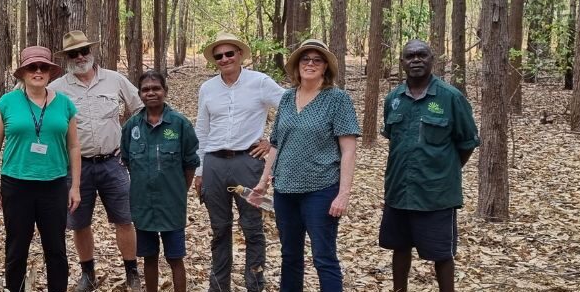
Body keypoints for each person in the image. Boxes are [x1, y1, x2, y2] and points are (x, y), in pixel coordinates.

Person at [253, 39, 360, 292]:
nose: (310, 64)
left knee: (324, 256)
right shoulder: (288, 98)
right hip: (285, 191)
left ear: (325, 67)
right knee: (290, 256)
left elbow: (349, 150)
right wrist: (263, 181)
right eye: (305, 59)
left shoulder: (337, 99)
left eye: (317, 60)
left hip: (321, 189)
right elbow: (277, 144)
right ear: (297, 65)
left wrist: (343, 194)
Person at [379, 40, 480, 292]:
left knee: (441, 253)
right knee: (400, 247)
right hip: (399, 190)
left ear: (432, 59)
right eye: (409, 56)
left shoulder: (451, 98)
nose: (416, 60)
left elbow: (467, 142)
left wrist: (445, 170)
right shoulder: (393, 99)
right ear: (401, 62)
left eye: (421, 55)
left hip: (436, 194)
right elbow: (394, 136)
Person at [49, 30, 144, 291]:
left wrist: (130, 141)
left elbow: (139, 108)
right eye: (73, 53)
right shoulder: (56, 88)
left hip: (113, 163)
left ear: (92, 51)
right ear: (66, 58)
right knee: (80, 222)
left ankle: (132, 272)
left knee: (124, 219)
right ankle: (87, 274)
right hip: (76, 168)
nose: (80, 57)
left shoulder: (115, 79)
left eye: (84, 51)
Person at [0, 45, 82, 292]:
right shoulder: (7, 103)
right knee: (16, 249)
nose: (37, 71)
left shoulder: (65, 105)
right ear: (23, 72)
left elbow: (73, 147)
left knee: (56, 250)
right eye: (32, 67)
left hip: (54, 185)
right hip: (16, 185)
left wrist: (76, 187)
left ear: (50, 72)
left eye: (43, 67)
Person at [194, 32, 284, 292]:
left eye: (229, 54)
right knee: (220, 229)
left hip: (248, 163)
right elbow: (202, 129)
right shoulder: (207, 88)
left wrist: (272, 142)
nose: (224, 59)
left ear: (240, 55)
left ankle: (255, 284)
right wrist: (200, 170)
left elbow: (289, 107)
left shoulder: (260, 82)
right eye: (218, 56)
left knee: (252, 227)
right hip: (215, 164)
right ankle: (219, 285)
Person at [121, 70, 200, 292]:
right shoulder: (131, 127)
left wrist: (178, 191)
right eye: (146, 90)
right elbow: (127, 161)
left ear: (165, 91)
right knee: (149, 257)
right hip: (143, 204)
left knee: (175, 258)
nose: (151, 93)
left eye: (156, 88)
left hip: (171, 204)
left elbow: (190, 162)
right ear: (139, 94)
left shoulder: (180, 124)